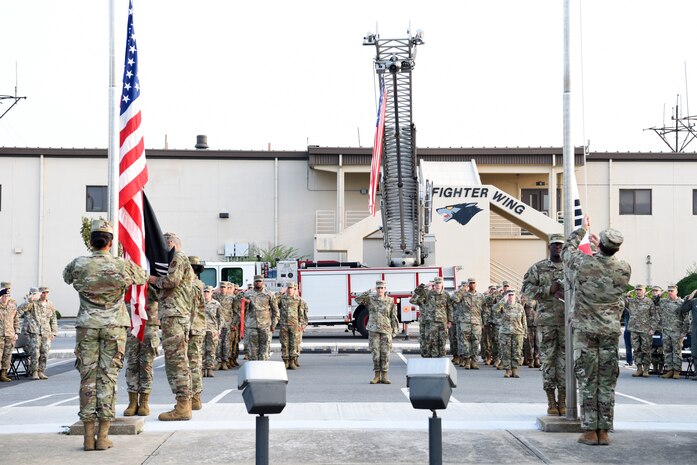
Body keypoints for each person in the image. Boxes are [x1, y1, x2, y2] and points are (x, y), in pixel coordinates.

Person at [63, 219, 148, 451]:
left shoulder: (78, 264)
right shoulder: (122, 266)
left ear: (91, 242)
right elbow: (142, 277)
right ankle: (103, 437)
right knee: (108, 378)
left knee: (87, 379)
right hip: (114, 327)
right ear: (110, 243)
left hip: (87, 326)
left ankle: (88, 438)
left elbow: (66, 277)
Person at [562, 215, 631, 446]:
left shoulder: (584, 263)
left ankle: (590, 431)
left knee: (588, 379)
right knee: (607, 381)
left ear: (600, 245)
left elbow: (566, 252)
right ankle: (605, 431)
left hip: (586, 330)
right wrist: (595, 248)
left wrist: (581, 232)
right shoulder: (624, 268)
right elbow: (603, 267)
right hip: (610, 331)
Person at [148, 232, 194, 421]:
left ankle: (183, 406)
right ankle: (184, 404)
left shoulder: (178, 257)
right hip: (175, 315)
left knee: (176, 363)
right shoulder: (181, 259)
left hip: (175, 315)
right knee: (179, 361)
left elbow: (170, 282)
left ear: (169, 243)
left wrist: (149, 278)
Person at [522, 233, 566, 415]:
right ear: (549, 247)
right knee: (548, 361)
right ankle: (550, 401)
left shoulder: (571, 268)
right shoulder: (538, 268)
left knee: (565, 362)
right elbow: (526, 289)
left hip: (567, 322)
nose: (557, 248)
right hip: (547, 322)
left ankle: (563, 400)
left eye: (560, 245)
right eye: (554, 245)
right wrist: (548, 290)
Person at [123, 285, 160, 417]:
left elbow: (159, 295)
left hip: (149, 325)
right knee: (132, 364)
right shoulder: (128, 281)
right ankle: (132, 402)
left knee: (146, 365)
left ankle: (144, 401)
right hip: (131, 325)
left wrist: (149, 283)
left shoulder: (153, 279)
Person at [355, 280, 399, 384]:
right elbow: (357, 299)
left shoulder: (390, 301)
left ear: (385, 289)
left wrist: (395, 330)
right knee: (376, 354)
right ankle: (376, 376)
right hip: (373, 330)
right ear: (376, 289)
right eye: (378, 288)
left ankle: (384, 376)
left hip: (386, 330)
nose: (380, 290)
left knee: (385, 354)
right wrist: (369, 291)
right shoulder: (370, 299)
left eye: (382, 288)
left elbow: (393, 316)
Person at [623, 284, 658, 378]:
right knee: (636, 349)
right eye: (637, 290)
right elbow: (621, 300)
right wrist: (626, 295)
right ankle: (639, 368)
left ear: (644, 290)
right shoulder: (631, 301)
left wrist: (652, 329)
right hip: (634, 329)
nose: (638, 291)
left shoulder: (649, 302)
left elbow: (654, 316)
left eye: (640, 289)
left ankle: (646, 369)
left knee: (646, 350)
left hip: (645, 330)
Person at [243, 275, 279, 361]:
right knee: (252, 349)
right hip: (251, 325)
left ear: (263, 282)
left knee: (265, 347)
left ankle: (263, 367)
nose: (258, 283)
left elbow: (275, 311)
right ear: (253, 282)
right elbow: (242, 310)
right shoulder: (248, 294)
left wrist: (274, 324)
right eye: (256, 281)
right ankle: (254, 367)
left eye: (259, 281)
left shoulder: (269, 294)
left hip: (265, 325)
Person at [452, 278, 485, 369]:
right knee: (465, 343)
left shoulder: (480, 296)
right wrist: (463, 289)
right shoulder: (463, 295)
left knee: (475, 342)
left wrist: (484, 322)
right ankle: (467, 360)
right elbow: (454, 299)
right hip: (464, 322)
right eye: (470, 283)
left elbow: (484, 309)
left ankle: (474, 361)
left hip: (476, 322)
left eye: (474, 283)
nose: (472, 285)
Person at [188, 256, 206, 411]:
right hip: (196, 327)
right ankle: (195, 398)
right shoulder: (199, 284)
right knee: (195, 364)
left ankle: (194, 398)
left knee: (191, 365)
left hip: (191, 328)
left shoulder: (193, 284)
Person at [657, 285, 687, 379]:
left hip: (677, 331)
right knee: (667, 351)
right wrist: (660, 294)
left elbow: (686, 319)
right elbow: (654, 301)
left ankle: (677, 371)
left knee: (677, 351)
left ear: (676, 292)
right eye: (668, 291)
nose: (670, 292)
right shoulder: (664, 302)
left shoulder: (681, 303)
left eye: (672, 291)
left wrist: (684, 332)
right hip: (666, 330)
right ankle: (669, 370)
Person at [495, 289, 527, 378]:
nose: (511, 297)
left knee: (517, 352)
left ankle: (515, 370)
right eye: (509, 295)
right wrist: (502, 300)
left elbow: (524, 320)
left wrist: (525, 332)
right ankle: (508, 370)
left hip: (517, 332)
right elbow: (494, 309)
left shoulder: (520, 307)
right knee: (506, 352)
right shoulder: (503, 306)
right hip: (505, 332)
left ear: (515, 296)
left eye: (512, 295)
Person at [277, 282, 308, 369]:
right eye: (288, 288)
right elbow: (273, 301)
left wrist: (301, 325)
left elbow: (301, 314)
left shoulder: (298, 300)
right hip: (284, 325)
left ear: (295, 289)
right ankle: (286, 361)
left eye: (291, 288)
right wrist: (280, 293)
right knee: (284, 344)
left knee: (294, 344)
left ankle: (292, 361)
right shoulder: (282, 299)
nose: (290, 290)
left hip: (294, 325)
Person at [0, 282, 19, 383]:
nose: (6, 298)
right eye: (4, 296)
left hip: (9, 335)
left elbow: (16, 321)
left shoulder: (12, 307)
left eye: (7, 296)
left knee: (7, 355)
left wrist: (16, 333)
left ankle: (3, 373)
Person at [411, 281, 433, 358]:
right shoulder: (422, 296)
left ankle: (429, 353)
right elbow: (412, 300)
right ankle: (424, 353)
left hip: (431, 320)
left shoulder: (433, 296)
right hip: (423, 320)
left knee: (430, 337)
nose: (429, 288)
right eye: (428, 287)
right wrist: (421, 287)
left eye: (430, 287)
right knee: (423, 337)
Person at [202, 286, 221, 377]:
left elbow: (220, 317)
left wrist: (219, 329)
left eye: (208, 292)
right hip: (201, 329)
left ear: (211, 293)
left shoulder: (216, 304)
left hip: (212, 329)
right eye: (205, 292)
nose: (206, 293)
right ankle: (202, 368)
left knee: (211, 350)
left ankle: (209, 369)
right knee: (201, 350)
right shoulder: (199, 303)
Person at [216, 282, 234, 370]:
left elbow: (236, 311)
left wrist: (234, 323)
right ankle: (219, 361)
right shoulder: (216, 297)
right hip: (218, 324)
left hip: (228, 323)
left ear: (228, 288)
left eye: (224, 287)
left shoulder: (232, 298)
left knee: (226, 343)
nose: (223, 289)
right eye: (221, 287)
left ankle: (225, 362)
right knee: (218, 343)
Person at [681, 289, 697, 381]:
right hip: (695, 330)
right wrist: (690, 297)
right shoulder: (694, 301)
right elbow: (683, 309)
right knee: (695, 352)